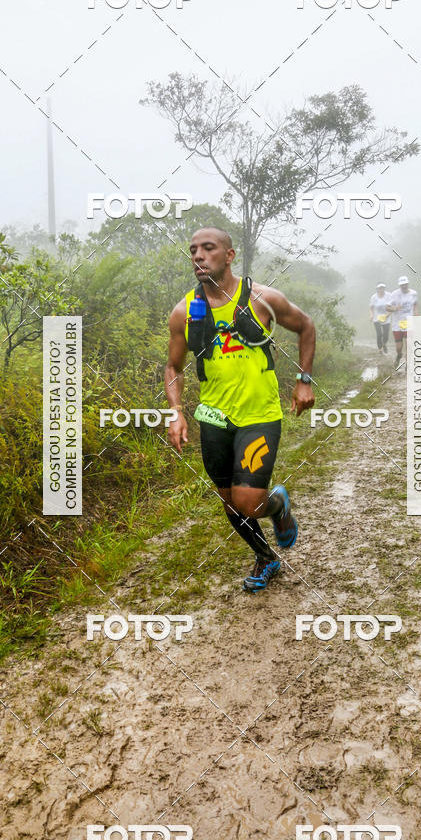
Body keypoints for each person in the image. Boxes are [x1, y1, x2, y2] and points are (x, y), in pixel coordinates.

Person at [165, 227, 316, 593]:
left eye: (208, 248)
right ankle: (266, 557)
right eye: (193, 250)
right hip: (214, 418)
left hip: (259, 415)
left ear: (229, 255)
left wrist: (304, 379)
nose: (198, 256)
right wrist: (176, 411)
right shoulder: (185, 311)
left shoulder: (263, 299)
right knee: (230, 502)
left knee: (249, 501)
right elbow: (173, 367)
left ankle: (277, 503)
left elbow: (306, 326)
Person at [387, 275, 418, 368]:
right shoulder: (394, 294)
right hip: (397, 324)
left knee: (409, 345)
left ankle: (408, 366)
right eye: (401, 285)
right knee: (399, 347)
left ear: (408, 284)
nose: (403, 286)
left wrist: (416, 313)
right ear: (399, 285)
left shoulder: (414, 293)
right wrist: (395, 308)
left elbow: (415, 303)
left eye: (405, 284)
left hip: (409, 323)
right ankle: (399, 355)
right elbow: (387, 307)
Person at [369, 282, 391, 354]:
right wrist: (371, 315)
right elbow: (371, 308)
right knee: (379, 334)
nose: (381, 289)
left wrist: (388, 314)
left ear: (384, 288)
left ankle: (384, 344)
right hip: (377, 318)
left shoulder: (388, 295)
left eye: (383, 288)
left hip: (386, 317)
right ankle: (380, 349)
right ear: (377, 289)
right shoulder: (374, 297)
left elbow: (391, 306)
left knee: (386, 335)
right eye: (380, 288)